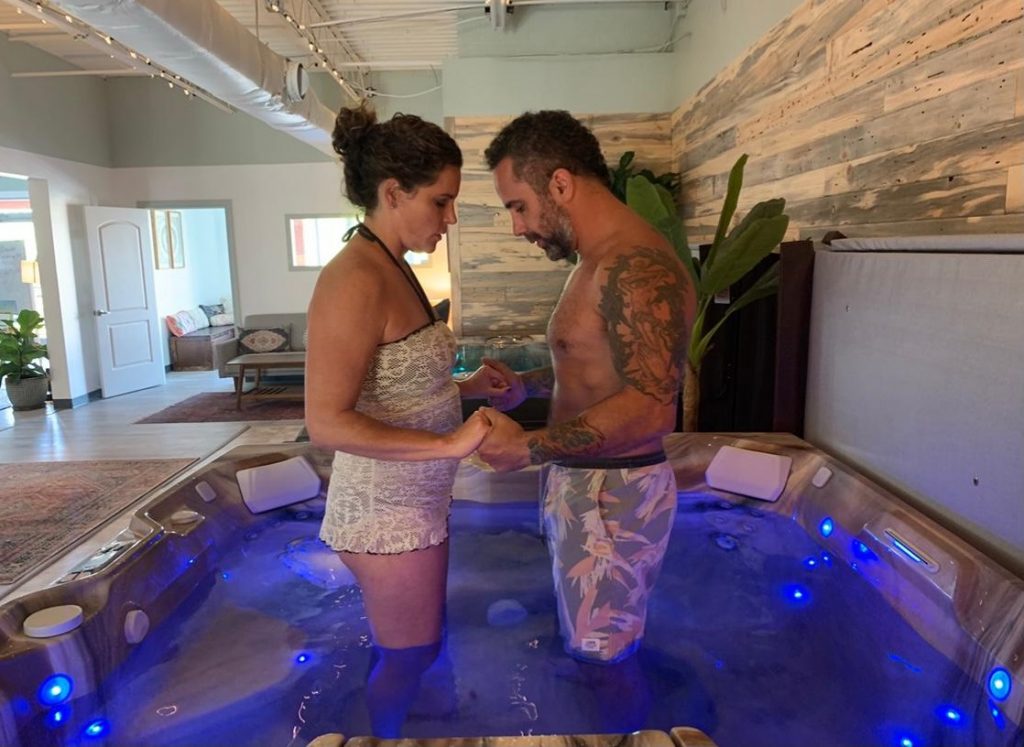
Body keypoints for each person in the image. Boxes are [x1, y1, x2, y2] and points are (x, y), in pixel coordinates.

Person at [476, 110, 696, 729]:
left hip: (613, 498)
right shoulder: (597, 260)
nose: (518, 227)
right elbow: (598, 369)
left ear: (561, 184)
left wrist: (528, 448)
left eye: (519, 206)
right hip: (589, 488)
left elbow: (652, 405)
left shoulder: (637, 267)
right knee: (590, 646)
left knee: (605, 661)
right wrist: (530, 386)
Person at [304, 104, 508, 737]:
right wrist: (448, 444)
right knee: (408, 656)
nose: (451, 218)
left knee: (424, 646)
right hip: (384, 512)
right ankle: (383, 736)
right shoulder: (353, 279)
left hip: (417, 501)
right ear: (393, 193)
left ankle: (424, 727)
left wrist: (467, 389)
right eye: (441, 202)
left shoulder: (393, 265)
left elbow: (395, 384)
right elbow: (326, 423)